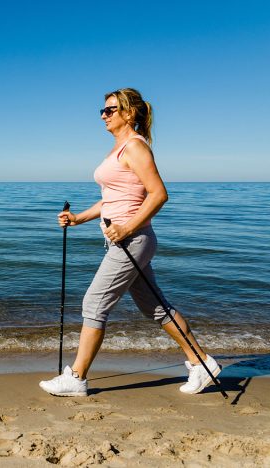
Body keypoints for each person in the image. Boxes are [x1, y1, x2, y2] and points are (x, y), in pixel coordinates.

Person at [39, 88, 220, 397]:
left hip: (132, 240)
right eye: (103, 110)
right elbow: (112, 199)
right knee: (157, 309)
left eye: (110, 110)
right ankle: (202, 365)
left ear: (129, 113)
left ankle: (77, 377)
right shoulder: (118, 149)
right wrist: (78, 218)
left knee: (94, 304)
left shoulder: (136, 147)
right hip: (126, 241)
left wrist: (126, 228)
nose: (103, 115)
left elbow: (159, 194)